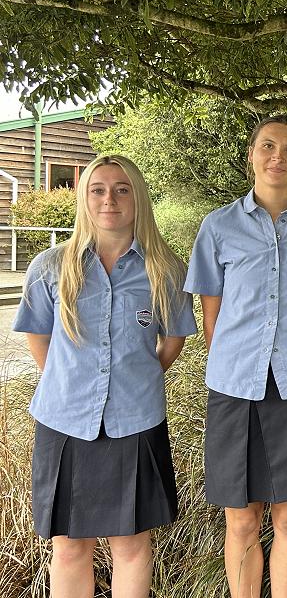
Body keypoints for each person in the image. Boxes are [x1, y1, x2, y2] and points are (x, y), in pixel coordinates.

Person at [184, 115, 287, 598]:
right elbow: (212, 317)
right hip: (236, 388)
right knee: (241, 519)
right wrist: (236, 364)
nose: (278, 157)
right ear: (251, 155)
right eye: (267, 146)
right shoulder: (218, 227)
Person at [13, 154, 196, 598]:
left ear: (138, 198)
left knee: (130, 544)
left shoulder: (165, 270)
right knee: (69, 546)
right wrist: (72, 384)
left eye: (121, 189)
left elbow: (172, 341)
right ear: (84, 198)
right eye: (97, 189)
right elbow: (40, 340)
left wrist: (132, 381)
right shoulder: (50, 267)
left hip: (135, 422)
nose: (108, 199)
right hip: (64, 424)